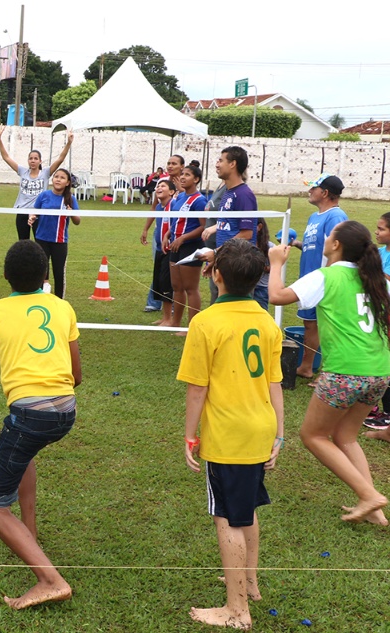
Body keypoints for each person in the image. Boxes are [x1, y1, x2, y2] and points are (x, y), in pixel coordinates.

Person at [0, 239, 81, 610]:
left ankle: (50, 580)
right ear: (45, 275)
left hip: (31, 416)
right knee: (24, 452)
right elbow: (76, 374)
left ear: (5, 276)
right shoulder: (62, 307)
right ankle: (30, 534)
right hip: (66, 411)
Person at [178, 238, 284, 630]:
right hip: (260, 429)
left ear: (215, 274)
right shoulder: (267, 320)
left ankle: (237, 610)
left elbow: (196, 388)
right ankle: (249, 583)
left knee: (228, 518)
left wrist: (190, 435)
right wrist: (279, 433)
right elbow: (275, 383)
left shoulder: (205, 323)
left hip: (228, 435)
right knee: (247, 509)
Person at [269, 221, 390, 524]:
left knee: (313, 435)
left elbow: (277, 296)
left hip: (345, 373)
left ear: (336, 245)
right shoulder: (379, 279)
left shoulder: (327, 276)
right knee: (346, 437)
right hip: (379, 371)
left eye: (329, 237)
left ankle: (369, 495)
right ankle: (375, 511)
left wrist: (276, 263)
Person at [290, 175, 348, 381]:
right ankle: (307, 367)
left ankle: (328, 372)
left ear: (324, 193)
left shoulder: (336, 216)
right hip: (310, 280)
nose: (309, 191)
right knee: (310, 324)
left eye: (313, 188)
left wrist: (329, 281)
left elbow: (340, 250)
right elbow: (316, 246)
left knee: (328, 327)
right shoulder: (314, 217)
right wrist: (297, 244)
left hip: (324, 283)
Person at [0, 127, 73, 240]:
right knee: (23, 242)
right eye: (30, 158)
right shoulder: (23, 171)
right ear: (28, 160)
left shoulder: (45, 173)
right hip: (22, 211)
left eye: (36, 158)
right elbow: (6, 157)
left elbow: (60, 159)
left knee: (39, 242)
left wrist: (69, 142)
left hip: (38, 213)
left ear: (40, 161)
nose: (33, 160)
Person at [165, 165, 207, 330]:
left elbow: (203, 226)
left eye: (187, 175)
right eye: (182, 174)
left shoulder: (199, 200)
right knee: (177, 286)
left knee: (191, 288)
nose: (182, 177)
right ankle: (176, 323)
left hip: (191, 246)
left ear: (196, 179)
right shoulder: (180, 197)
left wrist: (183, 238)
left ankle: (192, 327)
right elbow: (176, 221)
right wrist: (168, 235)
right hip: (176, 245)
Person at [29, 168, 81, 299]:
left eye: (62, 177)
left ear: (68, 182)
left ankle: (59, 301)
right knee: (40, 271)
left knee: (58, 273)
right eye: (56, 176)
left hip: (60, 241)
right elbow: (34, 211)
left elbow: (77, 221)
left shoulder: (70, 199)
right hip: (41, 239)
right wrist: (32, 217)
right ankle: (39, 299)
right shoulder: (44, 196)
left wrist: (71, 213)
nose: (58, 179)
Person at [365, 211, 390, 430]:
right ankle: (371, 406)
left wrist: (375, 274)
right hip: (377, 315)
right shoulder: (379, 253)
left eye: (381, 228)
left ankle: (388, 414)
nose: (377, 232)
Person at [142, 180, 177, 326]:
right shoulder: (158, 207)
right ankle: (165, 317)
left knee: (167, 283)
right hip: (159, 249)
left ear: (171, 192)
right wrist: (145, 229)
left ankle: (170, 319)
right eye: (158, 186)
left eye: (163, 186)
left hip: (170, 249)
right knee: (160, 282)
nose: (159, 188)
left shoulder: (174, 205)